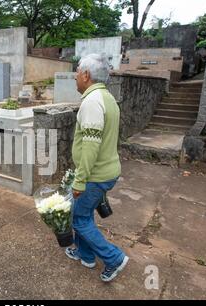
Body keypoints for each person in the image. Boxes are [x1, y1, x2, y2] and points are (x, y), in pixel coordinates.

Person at [66, 53, 129, 282]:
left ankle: (114, 258)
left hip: (95, 175)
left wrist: (80, 180)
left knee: (79, 219)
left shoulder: (92, 102)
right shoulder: (106, 97)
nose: (75, 77)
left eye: (77, 72)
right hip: (104, 171)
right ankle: (86, 255)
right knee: (84, 215)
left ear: (86, 74)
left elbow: (91, 147)